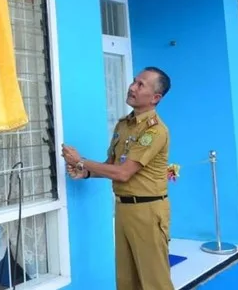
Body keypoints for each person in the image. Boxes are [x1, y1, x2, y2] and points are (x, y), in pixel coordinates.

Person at [61, 66, 174, 290]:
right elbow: (112, 166)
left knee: (154, 282)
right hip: (124, 209)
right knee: (127, 280)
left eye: (140, 85)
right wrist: (87, 172)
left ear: (155, 97)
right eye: (134, 81)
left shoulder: (155, 131)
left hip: (148, 212)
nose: (132, 87)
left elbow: (123, 173)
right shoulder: (124, 124)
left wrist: (80, 160)